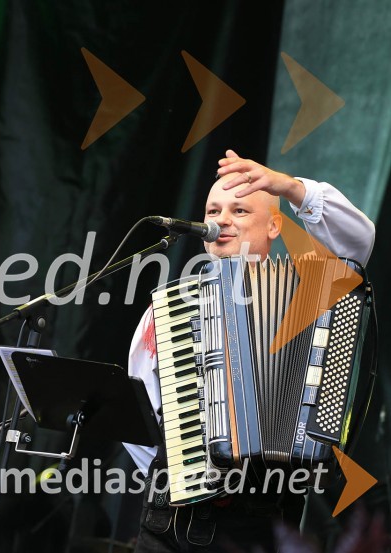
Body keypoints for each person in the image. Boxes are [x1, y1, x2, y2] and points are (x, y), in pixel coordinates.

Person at [124, 150, 376, 551]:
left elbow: (357, 243)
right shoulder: (169, 307)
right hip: (169, 526)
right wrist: (186, 469)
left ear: (275, 225)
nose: (221, 220)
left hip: (264, 525)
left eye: (240, 210)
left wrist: (289, 188)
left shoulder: (310, 293)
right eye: (213, 209)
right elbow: (142, 419)